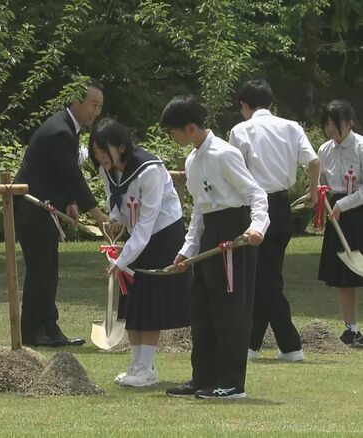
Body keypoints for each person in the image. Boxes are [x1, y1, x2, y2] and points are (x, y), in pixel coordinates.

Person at [161, 96, 269, 400]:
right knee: (203, 310)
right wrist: (187, 249)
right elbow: (199, 210)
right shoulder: (193, 160)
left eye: (174, 132)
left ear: (191, 127)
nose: (173, 138)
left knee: (229, 311)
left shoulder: (225, 154)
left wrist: (257, 227)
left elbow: (256, 194)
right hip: (209, 236)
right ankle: (203, 377)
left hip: (234, 234)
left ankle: (231, 382)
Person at [88, 118, 191, 387]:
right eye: (96, 153)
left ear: (121, 147)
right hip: (138, 236)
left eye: (103, 151)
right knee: (131, 299)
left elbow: (146, 224)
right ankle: (137, 365)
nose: (100, 158)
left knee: (149, 299)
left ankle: (147, 367)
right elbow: (117, 202)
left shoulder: (150, 170)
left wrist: (121, 261)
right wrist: (114, 219)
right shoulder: (107, 169)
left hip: (163, 233)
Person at [228, 79, 320, 362]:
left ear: (245, 105)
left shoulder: (240, 130)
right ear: (270, 103)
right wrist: (313, 191)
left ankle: (291, 345)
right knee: (266, 276)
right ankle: (252, 345)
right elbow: (314, 162)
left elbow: (235, 172)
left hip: (256, 207)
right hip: (281, 208)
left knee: (265, 280)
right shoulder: (291, 127)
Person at [15, 79, 109, 347]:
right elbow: (71, 175)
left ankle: (48, 327)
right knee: (40, 271)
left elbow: (60, 172)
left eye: (100, 106)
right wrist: (97, 213)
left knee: (48, 270)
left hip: (44, 210)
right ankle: (34, 331)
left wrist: (70, 202)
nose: (96, 111)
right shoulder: (61, 131)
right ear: (75, 101)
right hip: (32, 210)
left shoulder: (69, 128)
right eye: (93, 104)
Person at [316, 100, 363, 347]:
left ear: (350, 122)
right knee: (346, 276)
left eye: (336, 124)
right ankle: (351, 329)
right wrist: (316, 196)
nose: (331, 130)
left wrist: (343, 204)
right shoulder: (324, 150)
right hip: (337, 218)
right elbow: (321, 181)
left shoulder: (362, 147)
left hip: (358, 212)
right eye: (327, 125)